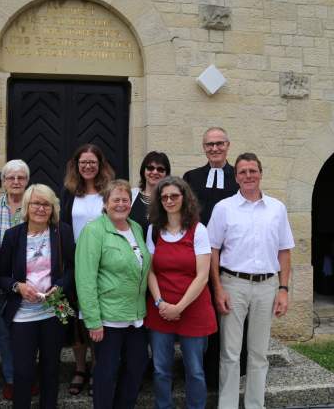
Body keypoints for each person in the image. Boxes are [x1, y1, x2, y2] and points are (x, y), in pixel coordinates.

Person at [207, 153, 294, 409]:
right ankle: (228, 405)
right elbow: (212, 249)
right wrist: (218, 288)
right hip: (233, 284)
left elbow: (284, 251)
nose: (248, 176)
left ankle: (256, 405)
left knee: (258, 353)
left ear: (261, 173)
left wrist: (284, 289)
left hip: (267, 285)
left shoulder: (277, 208)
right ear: (236, 177)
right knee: (231, 353)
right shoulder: (224, 208)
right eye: (243, 172)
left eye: (252, 171)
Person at [75, 180, 151, 409]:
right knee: (106, 373)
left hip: (136, 316)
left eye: (125, 200)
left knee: (137, 366)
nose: (121, 204)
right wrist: (93, 320)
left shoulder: (135, 227)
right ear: (105, 203)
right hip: (108, 318)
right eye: (115, 200)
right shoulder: (94, 230)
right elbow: (85, 278)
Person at [0, 184, 75, 409]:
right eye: (36, 203)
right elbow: (1, 275)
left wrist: (60, 286)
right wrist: (17, 287)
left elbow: (72, 267)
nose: (41, 208)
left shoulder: (62, 231)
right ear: (26, 206)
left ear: (53, 208)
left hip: (53, 310)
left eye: (46, 204)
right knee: (23, 371)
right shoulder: (14, 235)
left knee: (51, 368)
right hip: (22, 314)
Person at [145, 176, 217, 409]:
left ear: (185, 198)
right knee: (160, 369)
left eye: (174, 195)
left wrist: (179, 307)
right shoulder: (153, 230)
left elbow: (202, 276)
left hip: (193, 309)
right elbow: (150, 272)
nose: (169, 200)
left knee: (195, 370)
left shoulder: (198, 230)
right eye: (164, 197)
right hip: (161, 310)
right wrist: (160, 303)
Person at [183, 126, 240, 389]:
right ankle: (197, 369)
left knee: (226, 315)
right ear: (203, 147)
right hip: (198, 256)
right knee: (199, 314)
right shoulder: (191, 177)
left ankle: (225, 373)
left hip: (231, 258)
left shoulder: (238, 176)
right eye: (209, 144)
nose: (214, 149)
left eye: (219, 144)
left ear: (228, 145)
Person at [60, 143, 114, 395]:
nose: (88, 166)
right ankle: (80, 368)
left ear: (100, 165)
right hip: (75, 263)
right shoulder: (70, 192)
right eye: (83, 163)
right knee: (75, 320)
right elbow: (63, 226)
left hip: (104, 264)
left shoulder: (109, 192)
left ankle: (97, 368)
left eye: (93, 162)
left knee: (98, 317)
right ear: (76, 166)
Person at [0, 159, 29, 400]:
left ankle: (27, 377)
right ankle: (11, 379)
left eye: (21, 178)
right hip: (0, 283)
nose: (16, 182)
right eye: (11, 178)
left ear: (27, 181)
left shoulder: (35, 206)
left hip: (30, 282)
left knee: (29, 333)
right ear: (4, 182)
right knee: (5, 332)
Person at [130, 151, 170, 237]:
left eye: (160, 169)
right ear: (143, 170)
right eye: (150, 168)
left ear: (166, 174)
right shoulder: (130, 195)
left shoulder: (169, 199)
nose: (155, 172)